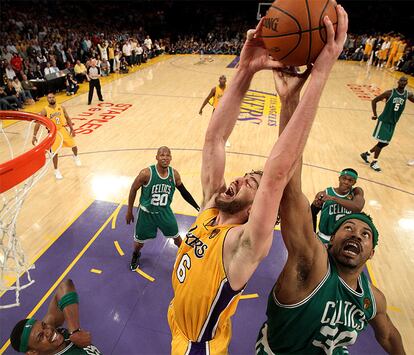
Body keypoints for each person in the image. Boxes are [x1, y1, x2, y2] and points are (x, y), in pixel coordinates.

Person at [168, 7, 348, 354]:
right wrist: (245, 68)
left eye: (251, 184)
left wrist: (320, 73)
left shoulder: (244, 245)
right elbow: (214, 140)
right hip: (176, 321)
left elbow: (278, 174)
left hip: (197, 346)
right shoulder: (209, 210)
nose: (238, 179)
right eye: (246, 176)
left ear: (256, 211)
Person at [256, 33, 405, 355]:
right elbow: (290, 187)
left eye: (365, 234)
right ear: (330, 240)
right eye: (348, 228)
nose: (356, 234)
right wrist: (291, 103)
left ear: (371, 252)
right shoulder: (310, 263)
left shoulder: (372, 298)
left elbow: (390, 336)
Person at [126, 146, 199, 270]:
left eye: (167, 155)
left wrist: (197, 207)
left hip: (164, 212)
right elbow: (133, 189)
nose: (165, 158)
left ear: (171, 158)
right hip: (146, 214)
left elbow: (184, 192)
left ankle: (183, 257)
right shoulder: (146, 173)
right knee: (139, 243)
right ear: (157, 157)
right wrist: (129, 211)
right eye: (162, 155)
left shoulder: (174, 174)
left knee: (177, 238)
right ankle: (136, 254)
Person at [10, 279, 102, 355]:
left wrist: (75, 331)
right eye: (41, 336)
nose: (49, 331)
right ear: (33, 352)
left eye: (44, 325)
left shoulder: (51, 331)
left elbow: (65, 286)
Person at [360, 76, 414, 171]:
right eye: (401, 80)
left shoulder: (407, 94)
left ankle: (367, 153)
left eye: (405, 81)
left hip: (393, 123)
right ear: (398, 82)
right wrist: (375, 115)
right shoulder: (389, 93)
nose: (403, 82)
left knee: (385, 143)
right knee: (382, 143)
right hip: (384, 121)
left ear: (406, 83)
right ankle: (374, 162)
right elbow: (374, 101)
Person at [33, 93, 81, 180]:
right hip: (53, 132)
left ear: (55, 98)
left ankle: (76, 157)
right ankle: (56, 170)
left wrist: (72, 129)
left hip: (62, 129)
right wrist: (34, 135)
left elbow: (67, 117)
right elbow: (38, 123)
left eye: (52, 97)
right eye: (49, 98)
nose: (51, 99)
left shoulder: (61, 107)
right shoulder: (45, 110)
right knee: (55, 153)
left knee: (74, 145)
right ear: (47, 100)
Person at [311, 168, 365, 244]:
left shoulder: (356, 193)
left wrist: (333, 198)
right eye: (344, 178)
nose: (346, 182)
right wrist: (311, 234)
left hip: (343, 240)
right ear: (339, 179)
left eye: (350, 180)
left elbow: (357, 208)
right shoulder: (325, 193)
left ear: (354, 183)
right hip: (324, 239)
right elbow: (311, 213)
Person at [199, 75, 230, 147]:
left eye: (224, 79)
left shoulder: (228, 89)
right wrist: (201, 108)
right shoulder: (215, 89)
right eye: (221, 79)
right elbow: (207, 98)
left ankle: (224, 140)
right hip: (216, 110)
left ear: (226, 80)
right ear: (219, 80)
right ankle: (212, 140)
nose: (222, 80)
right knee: (213, 126)